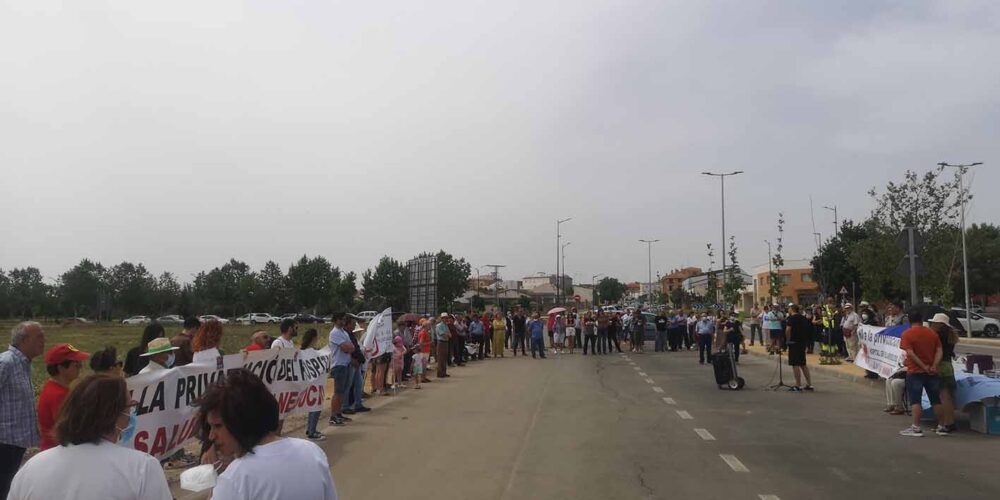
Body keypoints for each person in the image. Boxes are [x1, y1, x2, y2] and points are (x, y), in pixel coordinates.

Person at [7, 374, 172, 500]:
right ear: (114, 413)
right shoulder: (142, 467)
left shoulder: (30, 469)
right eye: (130, 407)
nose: (132, 414)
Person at [196, 369, 338, 499]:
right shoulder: (311, 451)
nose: (211, 436)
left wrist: (214, 481)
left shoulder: (235, 479)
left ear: (240, 419)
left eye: (217, 426)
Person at [0, 321, 45, 499]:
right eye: (39, 336)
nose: (44, 340)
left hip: (15, 441)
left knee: (8, 486)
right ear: (24, 340)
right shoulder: (6, 363)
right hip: (4, 441)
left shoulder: (24, 364)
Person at [898, 310, 945, 437]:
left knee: (915, 400)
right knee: (936, 400)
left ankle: (916, 427)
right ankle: (941, 426)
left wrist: (923, 366)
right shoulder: (932, 333)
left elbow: (910, 353)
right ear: (921, 319)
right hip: (932, 372)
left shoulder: (907, 334)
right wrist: (934, 365)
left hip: (915, 371)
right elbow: (939, 350)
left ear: (909, 320)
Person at [37, 343, 89, 452]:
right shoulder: (59, 395)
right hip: (58, 450)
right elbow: (69, 429)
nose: (80, 367)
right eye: (76, 364)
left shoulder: (53, 387)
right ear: (61, 368)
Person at [928, 313, 959, 433]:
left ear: (938, 324)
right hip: (948, 366)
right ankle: (950, 422)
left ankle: (945, 423)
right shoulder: (951, 335)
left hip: (940, 366)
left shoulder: (937, 335)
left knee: (943, 397)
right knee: (948, 397)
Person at [328, 313, 356, 426]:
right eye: (341, 319)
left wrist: (349, 348)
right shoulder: (334, 333)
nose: (343, 321)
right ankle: (333, 416)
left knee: (342, 391)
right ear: (335, 320)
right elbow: (345, 348)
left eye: (344, 319)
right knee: (338, 392)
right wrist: (349, 348)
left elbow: (351, 346)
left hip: (346, 363)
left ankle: (338, 413)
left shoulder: (344, 332)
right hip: (338, 364)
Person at [298, 328, 326, 441]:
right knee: (316, 407)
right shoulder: (313, 353)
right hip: (315, 384)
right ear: (314, 338)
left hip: (308, 383)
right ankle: (312, 431)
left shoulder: (302, 352)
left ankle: (310, 428)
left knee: (312, 407)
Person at [784, 305, 814, 392]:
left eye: (789, 308)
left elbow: (788, 330)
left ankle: (798, 384)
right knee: (803, 363)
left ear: (792, 309)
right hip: (802, 343)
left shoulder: (792, 318)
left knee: (795, 364)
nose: (788, 310)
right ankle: (809, 384)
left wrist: (788, 340)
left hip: (794, 342)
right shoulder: (803, 318)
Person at [435, 313, 451, 378]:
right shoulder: (439, 325)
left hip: (446, 342)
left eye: (447, 318)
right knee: (440, 358)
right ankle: (440, 373)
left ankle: (444, 372)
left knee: (444, 357)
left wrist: (447, 334)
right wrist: (447, 334)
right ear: (442, 318)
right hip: (441, 342)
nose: (446, 319)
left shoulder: (446, 325)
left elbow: (449, 333)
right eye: (445, 318)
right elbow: (441, 333)